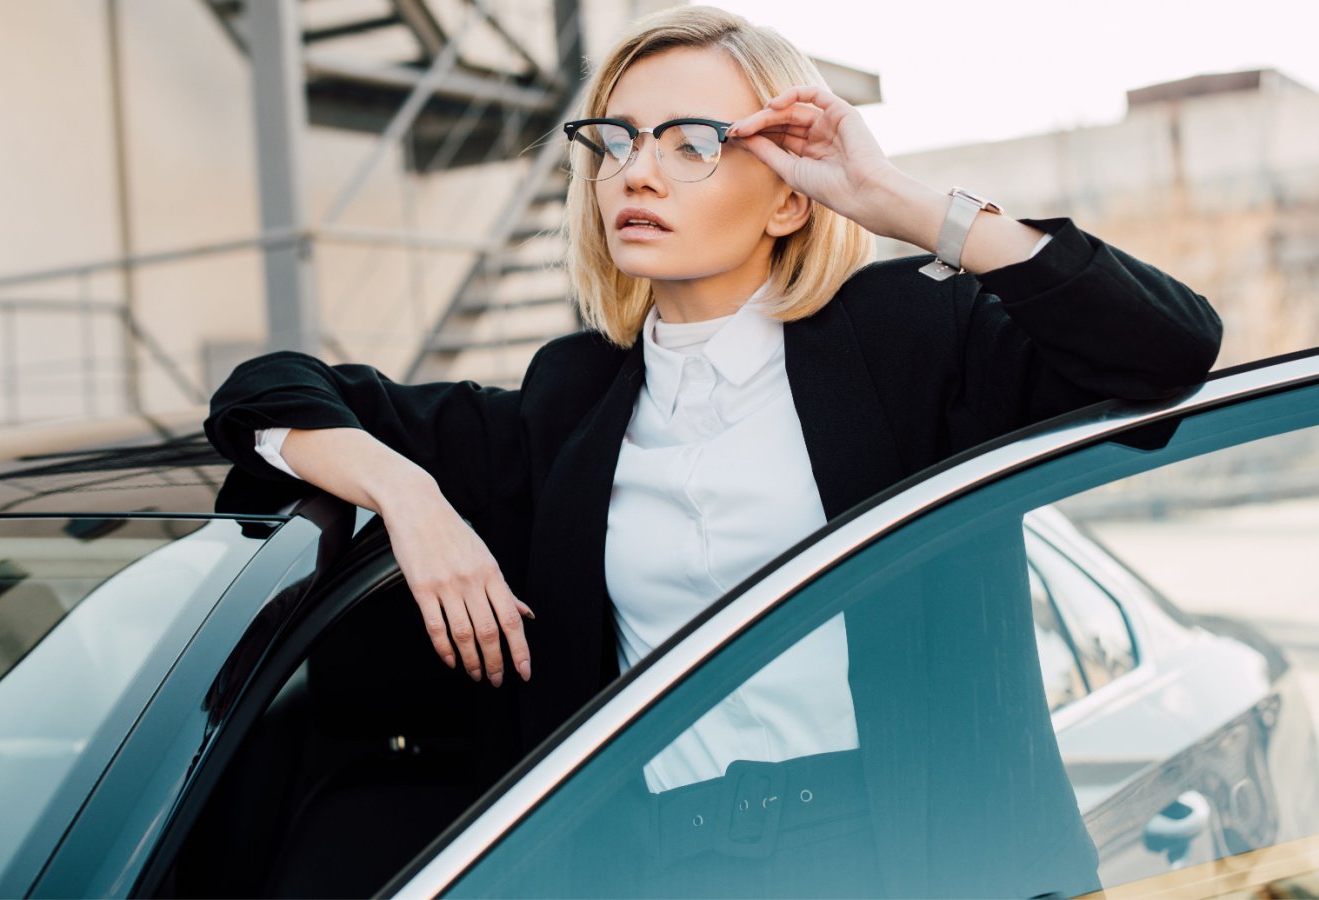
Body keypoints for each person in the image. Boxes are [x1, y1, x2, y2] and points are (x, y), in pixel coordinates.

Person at [204, 5, 1221, 894]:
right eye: (615, 141)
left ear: (788, 194)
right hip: (650, 862)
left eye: (689, 143)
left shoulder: (909, 343)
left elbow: (1164, 349)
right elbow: (266, 394)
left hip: (916, 854)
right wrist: (410, 498)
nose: (634, 171)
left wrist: (891, 197)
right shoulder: (567, 397)